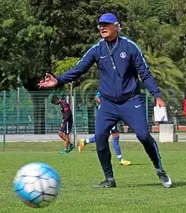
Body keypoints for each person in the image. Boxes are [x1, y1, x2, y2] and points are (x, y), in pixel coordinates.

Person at [38, 13, 172, 188]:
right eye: (100, 25)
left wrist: (157, 95)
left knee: (143, 135)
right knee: (100, 136)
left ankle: (159, 168)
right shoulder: (97, 49)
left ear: (116, 26)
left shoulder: (130, 47)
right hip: (108, 103)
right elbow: (79, 69)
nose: (102, 28)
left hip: (131, 101)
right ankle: (109, 179)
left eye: (106, 25)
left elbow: (145, 73)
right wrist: (58, 80)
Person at [78, 91, 131, 166]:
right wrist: (107, 107)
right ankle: (121, 159)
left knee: (113, 136)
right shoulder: (104, 87)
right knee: (105, 136)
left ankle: (84, 141)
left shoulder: (115, 88)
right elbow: (97, 98)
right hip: (106, 116)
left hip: (110, 115)